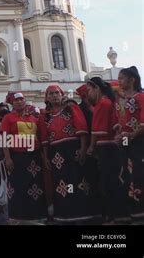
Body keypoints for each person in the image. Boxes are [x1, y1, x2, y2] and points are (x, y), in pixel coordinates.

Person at [38, 85, 99, 223]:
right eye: (51, 93)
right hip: (56, 154)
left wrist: (83, 149)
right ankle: (66, 214)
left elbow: (81, 128)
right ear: (47, 97)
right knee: (62, 183)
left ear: (62, 94)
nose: (54, 96)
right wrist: (46, 157)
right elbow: (44, 138)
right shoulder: (45, 116)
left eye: (57, 93)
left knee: (78, 180)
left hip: (73, 149)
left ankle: (83, 213)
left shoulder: (71, 109)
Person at [86, 77, 130, 224]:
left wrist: (91, 147)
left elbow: (97, 130)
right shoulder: (105, 102)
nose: (88, 94)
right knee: (111, 181)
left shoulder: (103, 104)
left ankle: (114, 215)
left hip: (106, 147)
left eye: (89, 90)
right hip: (110, 146)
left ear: (96, 88)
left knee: (108, 183)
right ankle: (117, 214)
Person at [0, 92, 47, 222]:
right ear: (12, 103)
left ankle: (37, 216)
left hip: (34, 158)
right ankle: (18, 217)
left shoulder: (33, 118)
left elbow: (40, 136)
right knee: (18, 187)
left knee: (36, 187)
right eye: (17, 100)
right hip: (17, 157)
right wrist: (8, 158)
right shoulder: (8, 118)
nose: (20, 102)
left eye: (22, 99)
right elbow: (4, 139)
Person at [114, 66, 144, 220]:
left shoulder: (140, 97)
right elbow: (121, 123)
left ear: (131, 80)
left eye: (121, 78)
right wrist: (119, 136)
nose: (119, 81)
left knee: (138, 173)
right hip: (127, 140)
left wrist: (131, 135)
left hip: (139, 141)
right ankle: (131, 212)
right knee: (125, 172)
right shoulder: (120, 100)